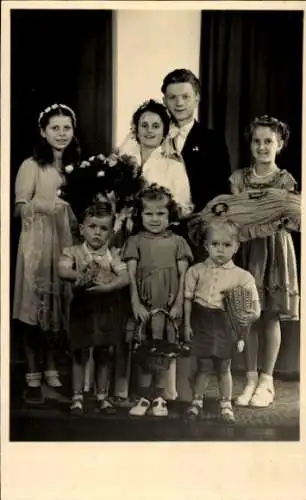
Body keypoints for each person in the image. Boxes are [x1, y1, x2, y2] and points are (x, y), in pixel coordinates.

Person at [229, 115, 300, 407]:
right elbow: (236, 213)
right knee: (248, 316)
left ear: (279, 144)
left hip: (273, 251)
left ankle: (267, 381)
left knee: (269, 315)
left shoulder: (285, 180)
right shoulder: (238, 178)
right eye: (257, 141)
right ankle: (249, 379)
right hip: (246, 249)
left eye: (268, 141)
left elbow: (293, 218)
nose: (262, 146)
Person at [13, 103, 80, 401]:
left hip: (65, 242)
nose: (61, 133)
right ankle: (32, 375)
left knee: (58, 309)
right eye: (55, 128)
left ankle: (52, 371)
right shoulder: (31, 165)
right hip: (38, 244)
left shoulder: (76, 166)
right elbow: (19, 207)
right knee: (33, 309)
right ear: (43, 131)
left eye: (67, 128)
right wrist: (46, 206)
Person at [122, 185, 193, 416]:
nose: (154, 219)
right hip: (145, 303)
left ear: (169, 214)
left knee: (165, 350)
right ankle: (144, 396)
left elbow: (184, 276)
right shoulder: (134, 241)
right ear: (140, 214)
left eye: (160, 213)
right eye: (148, 213)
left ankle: (160, 397)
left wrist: (179, 303)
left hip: (168, 304)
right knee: (144, 348)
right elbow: (130, 276)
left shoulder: (179, 242)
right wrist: (136, 303)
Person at [184, 220, 260, 422]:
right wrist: (186, 325)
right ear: (206, 245)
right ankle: (196, 402)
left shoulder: (242, 276)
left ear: (236, 247)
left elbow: (254, 307)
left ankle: (225, 404)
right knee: (204, 365)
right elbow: (188, 300)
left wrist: (247, 323)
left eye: (226, 245)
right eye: (215, 244)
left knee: (224, 366)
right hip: (202, 320)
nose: (220, 250)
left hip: (225, 324)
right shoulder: (196, 271)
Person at [58, 202, 129, 414]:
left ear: (110, 233)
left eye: (103, 228)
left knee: (104, 353)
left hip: (106, 309)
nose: (97, 232)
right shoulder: (73, 252)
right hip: (83, 309)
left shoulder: (113, 254)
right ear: (82, 229)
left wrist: (109, 286)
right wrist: (79, 276)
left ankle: (102, 397)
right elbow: (62, 271)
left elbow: (125, 277)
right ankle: (77, 397)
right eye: (92, 226)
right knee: (80, 352)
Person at [161, 68, 231, 213]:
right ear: (164, 101)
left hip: (198, 222)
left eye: (185, 97)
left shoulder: (212, 140)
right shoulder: (155, 136)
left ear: (197, 99)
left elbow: (221, 191)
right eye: (172, 97)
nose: (179, 103)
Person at [118, 99, 193, 218]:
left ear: (164, 132)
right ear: (136, 130)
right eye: (144, 125)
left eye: (156, 126)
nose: (149, 130)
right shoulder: (121, 161)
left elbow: (184, 209)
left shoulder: (174, 167)